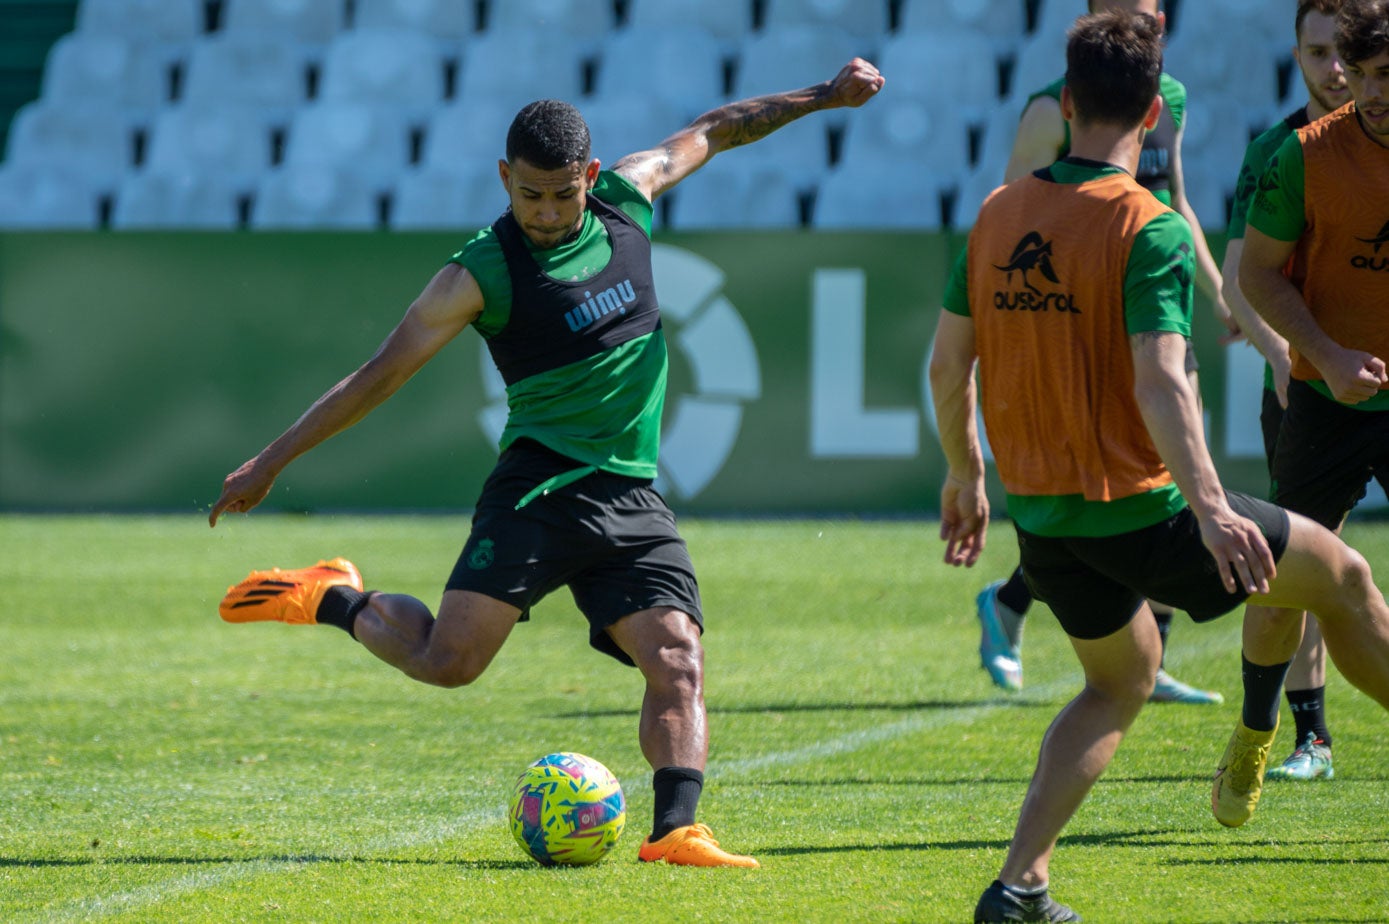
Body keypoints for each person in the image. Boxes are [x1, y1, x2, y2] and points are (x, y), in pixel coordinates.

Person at [208, 58, 886, 869]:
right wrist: (270, 462)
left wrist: (823, 96)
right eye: (527, 194)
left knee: (675, 656)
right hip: (538, 488)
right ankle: (331, 597)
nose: (544, 210)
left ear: (589, 176)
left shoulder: (628, 202)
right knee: (447, 663)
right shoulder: (478, 273)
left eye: (561, 194)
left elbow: (713, 130)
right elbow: (376, 376)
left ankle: (676, 830)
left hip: (630, 495)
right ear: (504, 178)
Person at [930, 11, 1389, 921]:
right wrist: (1213, 508)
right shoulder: (1148, 226)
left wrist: (963, 474)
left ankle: (1020, 885)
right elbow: (1162, 383)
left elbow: (948, 364)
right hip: (1142, 512)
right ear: (1152, 116)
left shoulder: (995, 212)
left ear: (1065, 105)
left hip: (1043, 518)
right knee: (1341, 575)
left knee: (1119, 678)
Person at [975, 0, 1232, 705]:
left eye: (1147, 7)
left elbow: (1173, 202)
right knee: (1119, 490)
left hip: (1154, 303)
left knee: (1170, 475)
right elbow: (1015, 207)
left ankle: (1146, 654)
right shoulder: (1047, 111)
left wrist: (1218, 294)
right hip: (1082, 320)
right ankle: (1011, 605)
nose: (1138, 16)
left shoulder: (1167, 97)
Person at [1220, 0, 1382, 783]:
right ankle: (1261, 729)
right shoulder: (1295, 154)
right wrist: (1311, 355)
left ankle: (1309, 739)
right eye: (1359, 72)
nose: (1362, 88)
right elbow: (1249, 272)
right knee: (1285, 586)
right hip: (1321, 397)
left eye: (1381, 74)